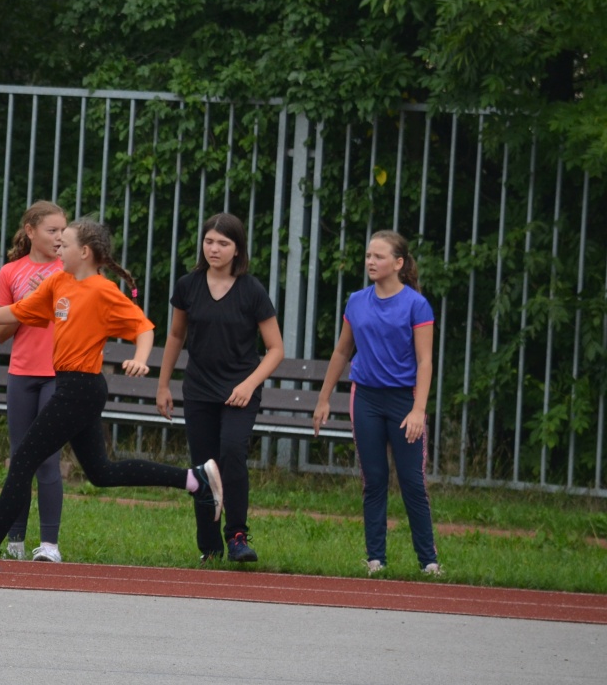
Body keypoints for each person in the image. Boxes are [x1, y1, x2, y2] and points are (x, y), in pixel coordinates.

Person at [0, 217, 223, 573]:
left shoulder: (103, 291)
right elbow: (20, 310)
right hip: (72, 386)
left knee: (23, 459)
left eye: (65, 243)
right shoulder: (59, 281)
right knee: (101, 472)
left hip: (81, 389)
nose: (59, 246)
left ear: (84, 252)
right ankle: (194, 480)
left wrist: (140, 358)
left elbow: (143, 328)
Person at [155, 213, 284, 563]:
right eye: (209, 241)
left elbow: (276, 349)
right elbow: (176, 336)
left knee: (232, 452)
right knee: (204, 466)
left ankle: (237, 536)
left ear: (237, 249)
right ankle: (209, 546)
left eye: (223, 243)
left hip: (240, 390)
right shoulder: (188, 285)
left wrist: (249, 384)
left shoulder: (251, 290)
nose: (214, 249)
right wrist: (163, 385)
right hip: (199, 389)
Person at [314, 230, 440, 576]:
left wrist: (418, 410)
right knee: (374, 480)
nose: (370, 261)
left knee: (412, 482)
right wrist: (324, 398)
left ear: (398, 263)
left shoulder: (416, 304)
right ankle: (375, 560)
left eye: (379, 256)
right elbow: (342, 352)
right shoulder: (356, 301)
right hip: (366, 398)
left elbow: (425, 361)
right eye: (369, 255)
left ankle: (429, 562)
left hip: (404, 401)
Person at [0, 201, 68, 561]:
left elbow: (78, 322)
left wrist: (48, 300)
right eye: (52, 230)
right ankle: (15, 540)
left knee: (48, 459)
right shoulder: (10, 273)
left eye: (63, 230)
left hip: (58, 374)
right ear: (30, 231)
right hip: (21, 375)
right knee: (20, 458)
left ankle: (49, 545)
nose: (60, 237)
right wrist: (28, 303)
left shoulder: (70, 270)